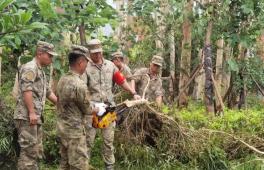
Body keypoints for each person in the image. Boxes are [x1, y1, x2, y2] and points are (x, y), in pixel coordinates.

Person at [82, 39, 140, 170]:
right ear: (89, 53)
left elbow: (121, 80)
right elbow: (82, 89)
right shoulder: (85, 67)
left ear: (102, 51)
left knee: (108, 141)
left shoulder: (110, 65)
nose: (97, 55)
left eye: (99, 52)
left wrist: (133, 92)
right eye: (94, 53)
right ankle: (83, 166)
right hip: (93, 109)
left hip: (108, 108)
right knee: (88, 141)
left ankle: (109, 166)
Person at [14, 41, 57, 170]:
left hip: (34, 117)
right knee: (28, 154)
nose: (51, 58)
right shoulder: (30, 68)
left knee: (35, 151)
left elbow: (48, 92)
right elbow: (27, 90)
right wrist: (32, 112)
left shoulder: (40, 71)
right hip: (27, 117)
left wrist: (60, 103)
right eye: (49, 55)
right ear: (39, 54)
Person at [56, 45, 91, 170]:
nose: (87, 66)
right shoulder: (79, 84)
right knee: (79, 165)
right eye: (86, 62)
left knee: (64, 164)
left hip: (62, 129)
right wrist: (98, 108)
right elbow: (87, 109)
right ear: (80, 62)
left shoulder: (62, 79)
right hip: (75, 133)